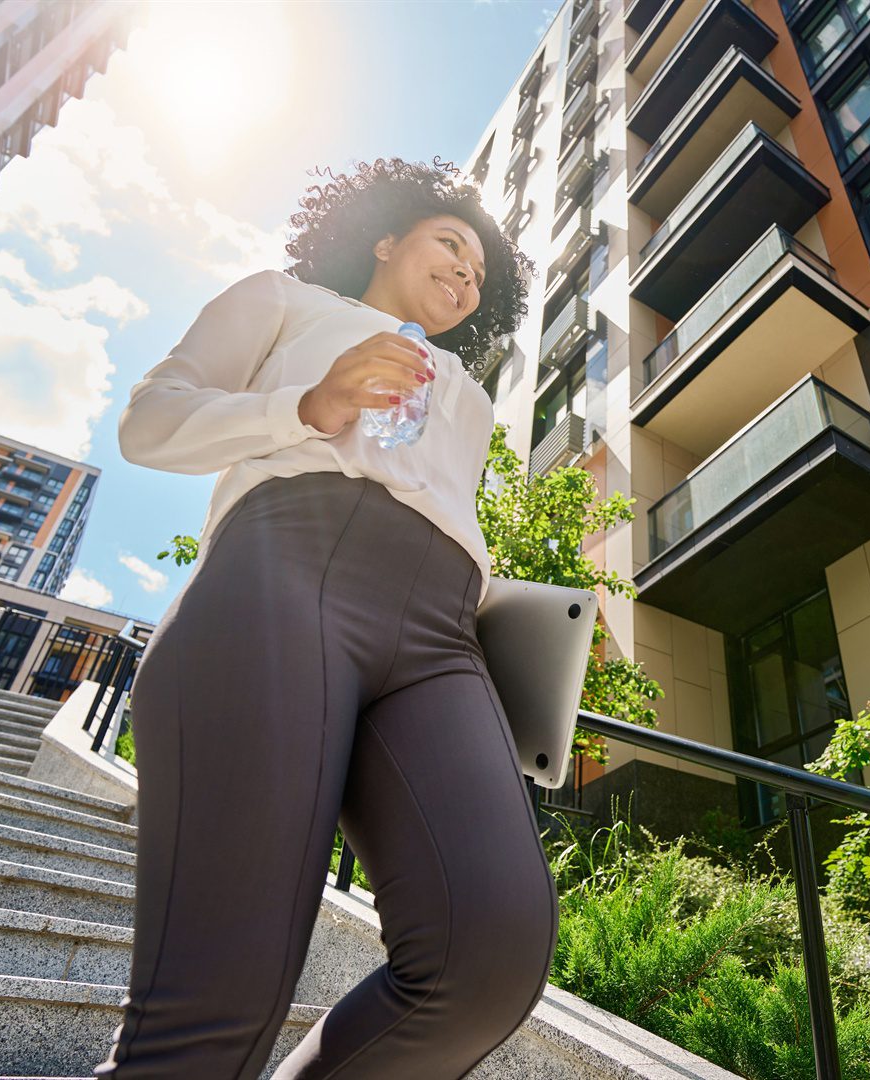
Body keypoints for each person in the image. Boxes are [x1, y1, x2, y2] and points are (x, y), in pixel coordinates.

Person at [94, 157, 551, 1080]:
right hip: (283, 577)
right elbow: (151, 421)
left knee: (489, 955)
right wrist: (308, 404)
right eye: (449, 244)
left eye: (479, 274)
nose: (466, 274)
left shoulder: (471, 393)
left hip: (438, 633)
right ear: (384, 238)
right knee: (217, 1007)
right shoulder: (285, 301)